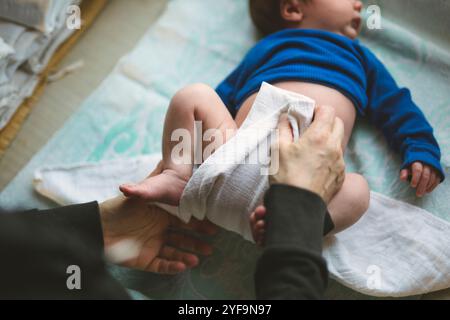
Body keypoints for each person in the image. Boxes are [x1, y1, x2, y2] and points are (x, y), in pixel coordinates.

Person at [119, 0, 444, 240]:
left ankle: (297, 230)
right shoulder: (267, 49)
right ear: (293, 9)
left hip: (304, 189)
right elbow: (222, 98)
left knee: (359, 192)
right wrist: (193, 150)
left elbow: (396, 105)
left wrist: (420, 147)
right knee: (194, 96)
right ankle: (178, 175)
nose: (359, 3)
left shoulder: (360, 58)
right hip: (232, 159)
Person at [0, 106, 345, 300]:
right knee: (354, 192)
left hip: (227, 178)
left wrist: (97, 226)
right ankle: (182, 174)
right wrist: (298, 218)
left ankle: (178, 174)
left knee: (192, 96)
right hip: (252, 168)